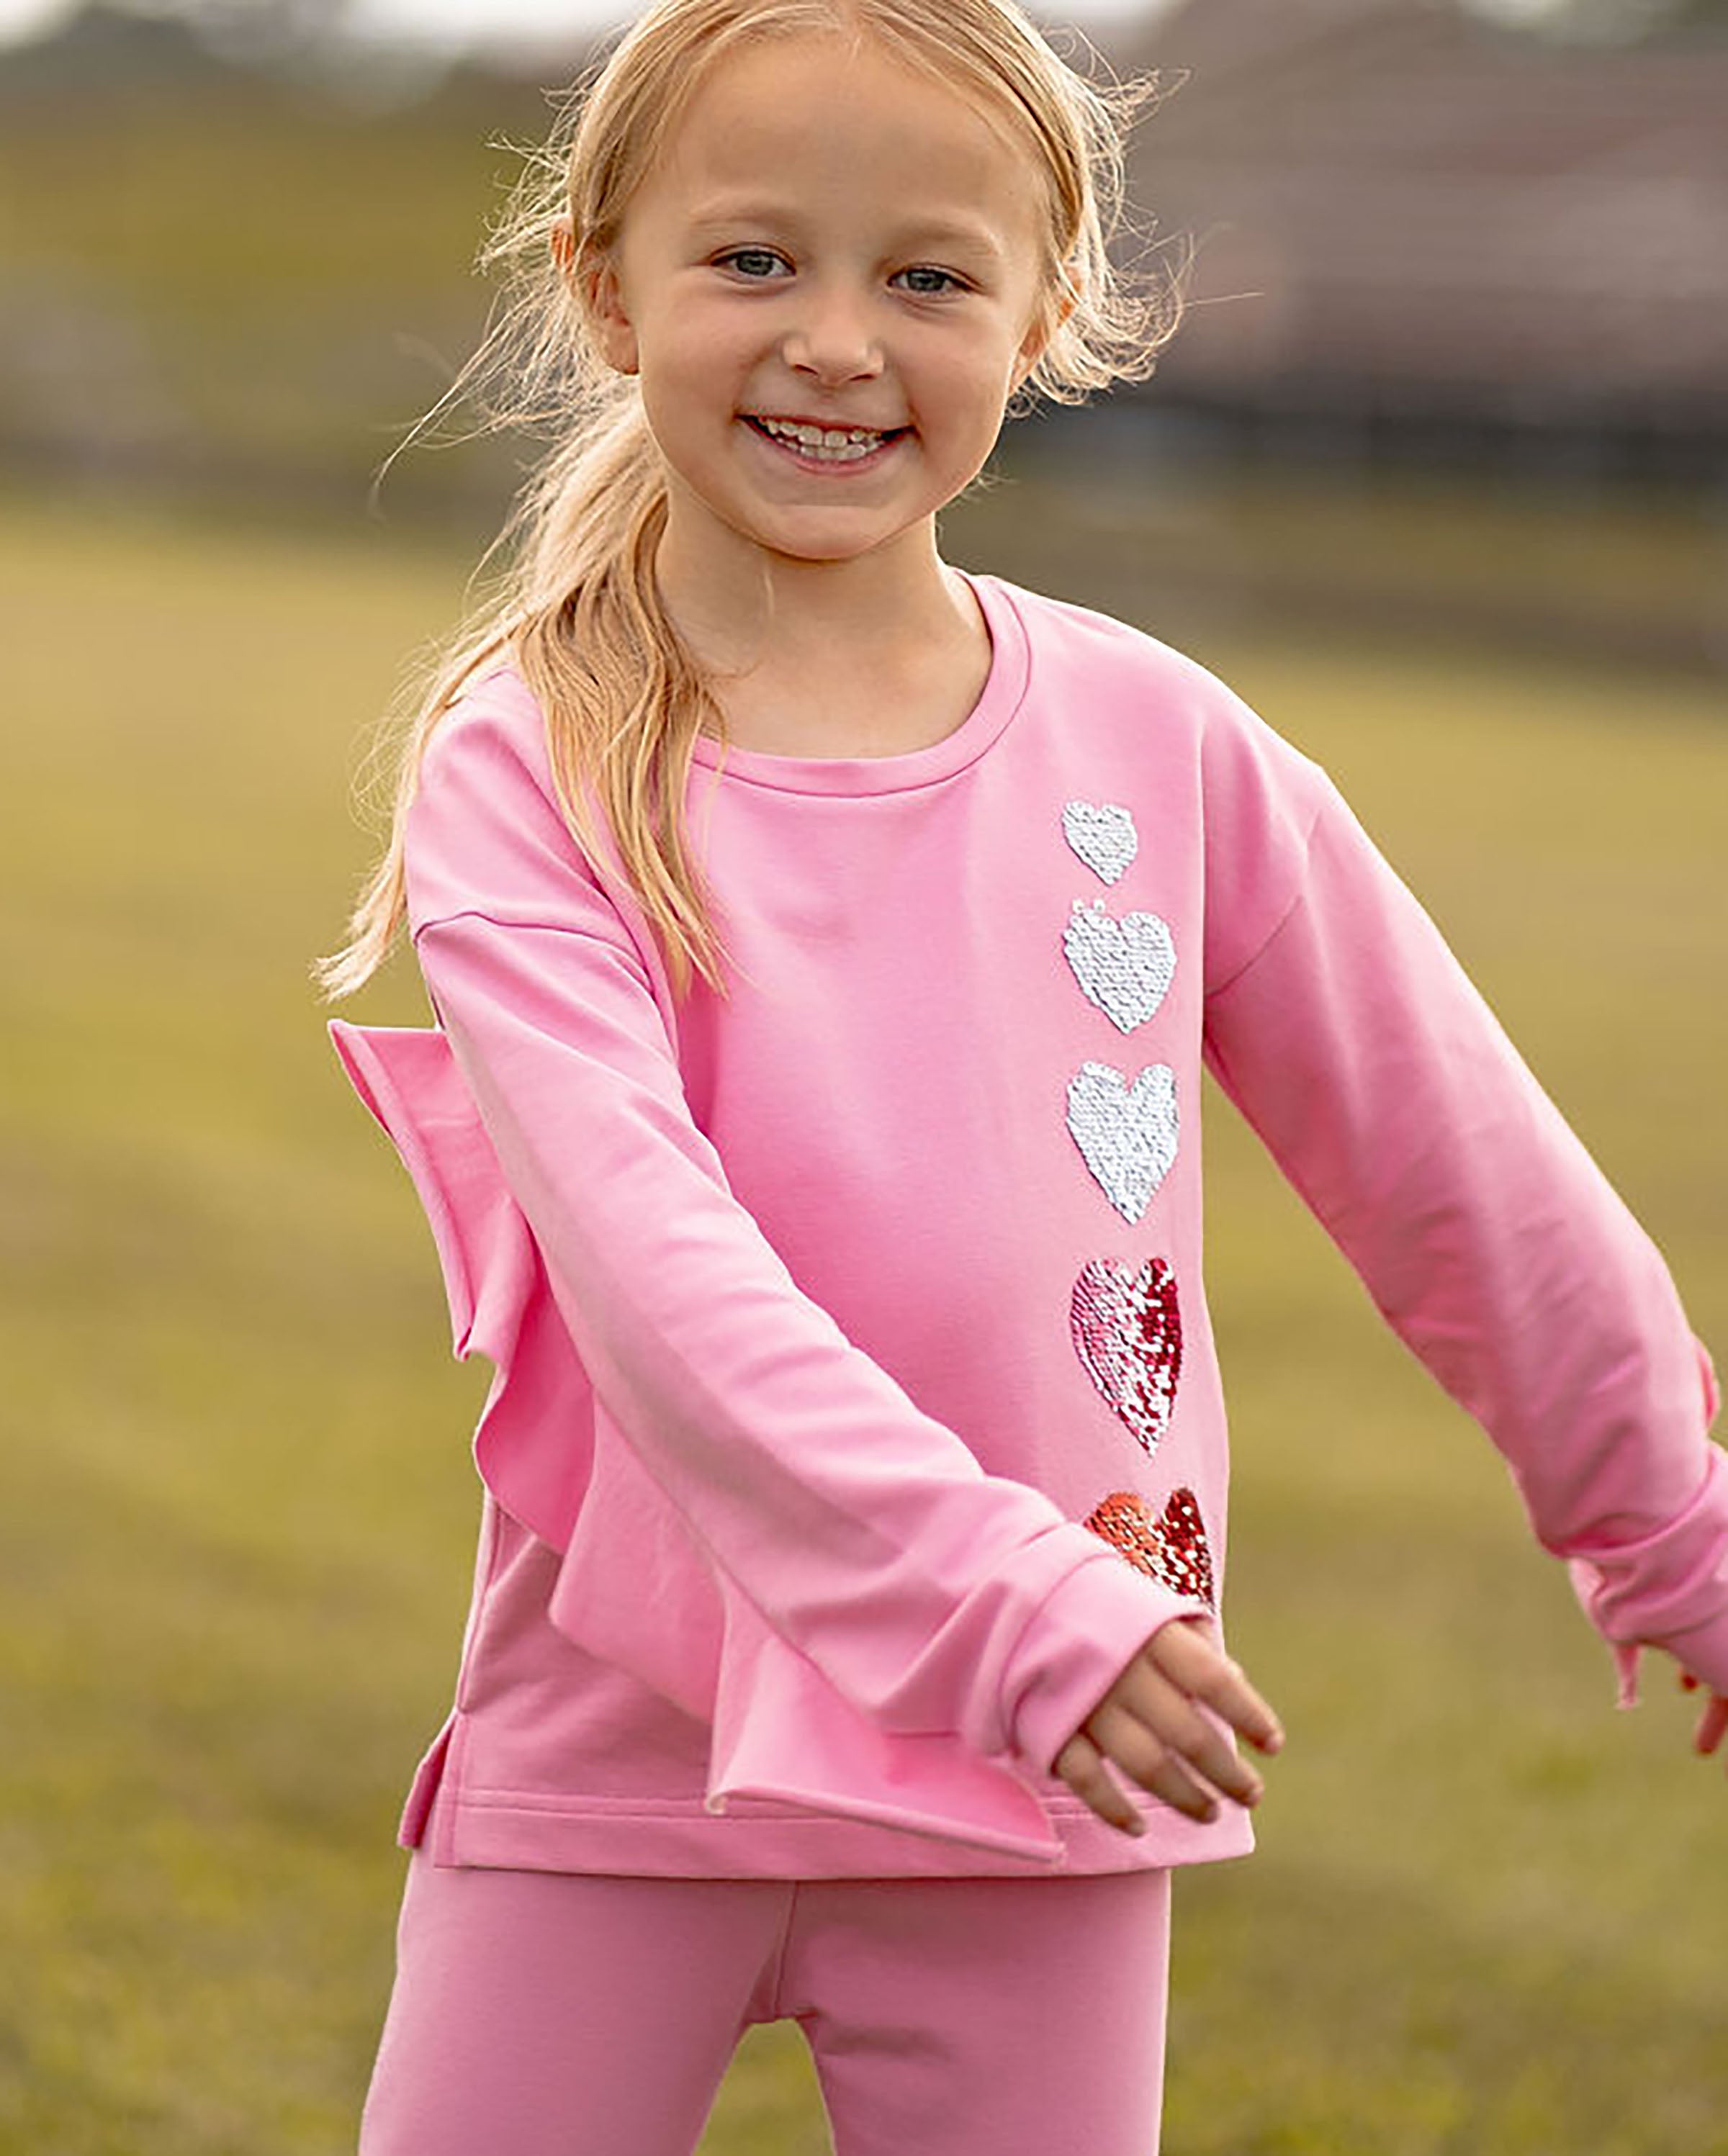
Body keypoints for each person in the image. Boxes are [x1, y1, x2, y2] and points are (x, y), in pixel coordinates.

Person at [318, 0, 1727, 2147]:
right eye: (756, 259)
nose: (837, 342)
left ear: (1045, 309)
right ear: (607, 288)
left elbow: (1456, 1155)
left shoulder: (1162, 745)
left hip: (1055, 1773)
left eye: (930, 277)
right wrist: (1019, 1614)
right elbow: (662, 1285)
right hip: (625, 1761)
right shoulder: (529, 765)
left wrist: (1674, 1520)